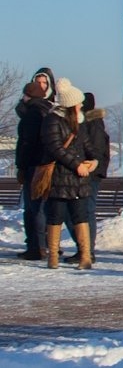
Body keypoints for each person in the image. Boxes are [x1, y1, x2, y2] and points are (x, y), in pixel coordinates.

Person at [41, 78, 97, 270]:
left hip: (79, 179)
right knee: (55, 215)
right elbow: (55, 147)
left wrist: (94, 161)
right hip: (59, 177)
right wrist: (76, 165)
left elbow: (87, 145)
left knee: (80, 216)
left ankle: (86, 256)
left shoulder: (80, 121)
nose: (82, 105)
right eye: (79, 102)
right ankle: (53, 257)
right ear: (70, 104)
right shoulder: (52, 120)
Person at [14, 69, 55, 260]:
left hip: (34, 164)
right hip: (46, 163)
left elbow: (27, 142)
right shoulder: (48, 110)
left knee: (35, 207)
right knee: (40, 207)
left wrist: (21, 165)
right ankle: (44, 245)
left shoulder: (32, 114)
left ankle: (38, 246)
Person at [65, 92, 110, 264]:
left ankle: (87, 250)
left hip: (89, 172)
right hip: (87, 171)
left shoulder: (92, 123)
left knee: (85, 210)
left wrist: (87, 165)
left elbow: (96, 151)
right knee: (81, 210)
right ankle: (84, 249)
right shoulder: (91, 123)